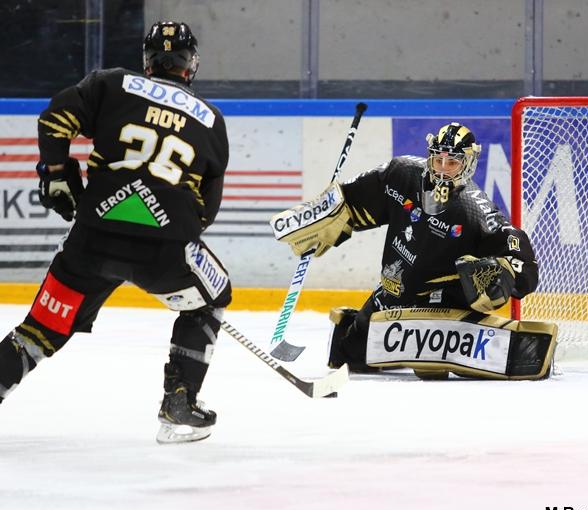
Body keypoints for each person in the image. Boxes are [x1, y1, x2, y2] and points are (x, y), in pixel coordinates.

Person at [0, 21, 231, 443]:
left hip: (91, 241)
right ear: (190, 64)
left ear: (148, 60)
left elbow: (54, 120)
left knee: (41, 329)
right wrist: (171, 229)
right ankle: (179, 402)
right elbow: (206, 210)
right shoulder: (211, 120)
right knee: (213, 297)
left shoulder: (112, 84)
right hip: (165, 252)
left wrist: (57, 173)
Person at [272, 123, 553, 380]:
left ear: (467, 164)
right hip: (392, 296)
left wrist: (501, 274)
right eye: (438, 159)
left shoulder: (475, 211)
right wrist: (325, 213)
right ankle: (368, 332)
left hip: (439, 307)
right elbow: (351, 199)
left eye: (452, 162)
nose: (443, 169)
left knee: (433, 366)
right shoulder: (401, 175)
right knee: (348, 356)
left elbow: (521, 264)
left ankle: (439, 351)